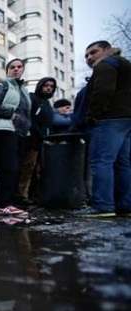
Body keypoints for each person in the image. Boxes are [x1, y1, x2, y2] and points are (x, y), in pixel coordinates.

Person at [73, 41, 131, 217]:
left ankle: (102, 205)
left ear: (107, 50)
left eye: (93, 52)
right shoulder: (125, 65)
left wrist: (92, 117)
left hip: (108, 120)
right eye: (86, 56)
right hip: (126, 120)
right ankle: (126, 205)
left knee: (101, 162)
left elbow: (102, 92)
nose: (89, 58)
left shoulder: (105, 65)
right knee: (123, 163)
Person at [0, 58, 31, 216]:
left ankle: (8, 203)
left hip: (20, 132)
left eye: (19, 67)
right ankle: (3, 205)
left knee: (15, 169)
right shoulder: (2, 85)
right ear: (7, 71)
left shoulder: (24, 90)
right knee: (8, 168)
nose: (16, 69)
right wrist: (11, 114)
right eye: (12, 67)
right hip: (4, 129)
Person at [15, 77, 57, 206]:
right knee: (28, 168)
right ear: (40, 86)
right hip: (31, 140)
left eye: (51, 86)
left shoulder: (47, 103)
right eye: (46, 85)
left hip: (42, 141)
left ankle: (33, 195)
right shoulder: (33, 99)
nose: (49, 88)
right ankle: (20, 195)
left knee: (38, 169)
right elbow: (30, 118)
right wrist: (40, 134)